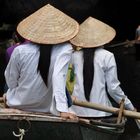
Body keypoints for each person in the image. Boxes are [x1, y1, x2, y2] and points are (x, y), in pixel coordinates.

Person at [4, 4, 79, 120]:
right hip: (47, 107)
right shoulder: (65, 49)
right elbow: (58, 76)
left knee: (8, 92)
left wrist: (13, 92)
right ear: (59, 31)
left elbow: (11, 81)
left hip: (19, 103)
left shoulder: (19, 50)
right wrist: (62, 110)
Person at [69, 17, 135, 118]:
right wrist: (130, 107)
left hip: (75, 111)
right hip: (101, 111)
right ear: (102, 38)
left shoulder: (72, 56)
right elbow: (113, 89)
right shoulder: (107, 56)